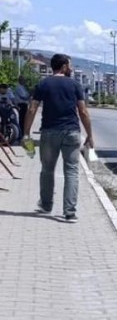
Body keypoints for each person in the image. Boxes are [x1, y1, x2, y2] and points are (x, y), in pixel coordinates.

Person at [22, 54, 94, 223]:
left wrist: (26, 134)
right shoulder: (75, 85)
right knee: (71, 171)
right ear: (63, 66)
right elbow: (83, 112)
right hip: (72, 133)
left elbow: (32, 109)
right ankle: (69, 212)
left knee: (47, 170)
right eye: (70, 65)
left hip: (49, 132)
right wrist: (90, 135)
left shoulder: (43, 84)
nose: (71, 68)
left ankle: (46, 205)